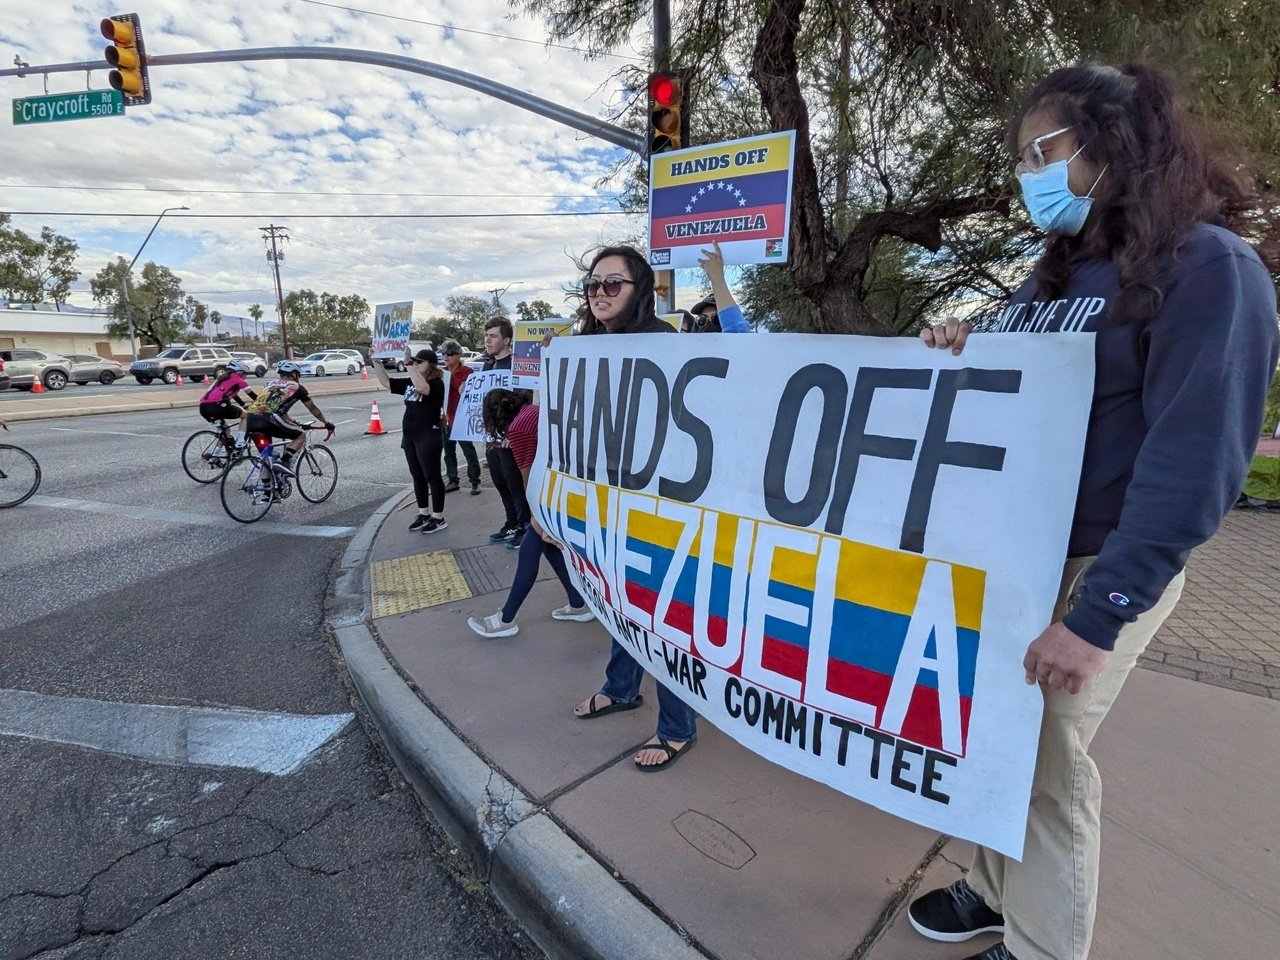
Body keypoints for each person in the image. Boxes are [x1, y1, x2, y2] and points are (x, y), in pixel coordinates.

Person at [908, 63, 1279, 960]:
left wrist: (1099, 613)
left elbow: (1193, 461)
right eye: (1020, 156)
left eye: (1044, 150)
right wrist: (960, 346)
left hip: (1099, 567)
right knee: (996, 746)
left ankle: (1043, 944)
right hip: (1017, 560)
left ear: (1111, 145)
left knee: (1045, 767)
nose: (1027, 173)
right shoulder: (1059, 277)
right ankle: (995, 890)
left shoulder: (1209, 268)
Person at [570, 244, 701, 772]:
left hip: (660, 509)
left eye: (612, 284)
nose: (599, 293)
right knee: (619, 603)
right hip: (606, 508)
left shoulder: (662, 344)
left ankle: (677, 727)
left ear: (639, 289)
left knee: (662, 617)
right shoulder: (581, 348)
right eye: (593, 285)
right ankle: (621, 689)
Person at [466, 388, 595, 638]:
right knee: (545, 545)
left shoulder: (518, 429)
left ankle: (506, 619)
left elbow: (529, 478)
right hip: (569, 488)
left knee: (530, 546)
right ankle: (577, 603)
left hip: (554, 495)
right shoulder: (533, 413)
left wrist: (537, 515)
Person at [374, 347, 449, 533]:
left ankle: (438, 518)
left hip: (428, 435)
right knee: (417, 475)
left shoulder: (437, 383)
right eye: (413, 361)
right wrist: (376, 361)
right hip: (410, 436)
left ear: (430, 364)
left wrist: (408, 364)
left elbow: (423, 388)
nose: (415, 364)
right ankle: (424, 514)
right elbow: (386, 382)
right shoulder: (411, 381)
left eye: (419, 362)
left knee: (432, 475)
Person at [481, 316, 529, 547]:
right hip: (492, 437)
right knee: (500, 482)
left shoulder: (516, 364)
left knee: (515, 484)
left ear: (507, 340)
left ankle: (524, 526)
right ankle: (511, 522)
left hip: (511, 438)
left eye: (493, 336)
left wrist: (513, 432)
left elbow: (526, 398)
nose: (487, 340)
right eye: (486, 335)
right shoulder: (488, 365)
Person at [241, 361, 335, 470]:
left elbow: (281, 409)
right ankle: (283, 462)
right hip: (269, 418)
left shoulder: (269, 384)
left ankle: (267, 485)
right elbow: (313, 408)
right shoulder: (297, 387)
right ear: (294, 374)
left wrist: (293, 422)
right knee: (301, 435)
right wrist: (326, 423)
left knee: (266, 457)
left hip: (250, 419)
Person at [440, 339, 482, 496]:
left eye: (449, 353)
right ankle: (452, 480)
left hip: (462, 418)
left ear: (458, 355)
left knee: (468, 451)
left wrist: (456, 382)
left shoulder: (467, 372)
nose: (446, 356)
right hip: (445, 417)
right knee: (448, 452)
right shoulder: (442, 372)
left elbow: (468, 390)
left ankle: (475, 481)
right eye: (444, 353)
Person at [682, 241, 751, 333]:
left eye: (717, 319)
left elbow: (736, 332)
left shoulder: (735, 345)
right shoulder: (691, 346)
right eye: (701, 320)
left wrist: (717, 278)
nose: (709, 323)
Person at [199, 360, 257, 434]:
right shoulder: (240, 381)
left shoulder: (221, 379)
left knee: (225, 432)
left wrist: (243, 405)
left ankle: (221, 444)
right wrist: (263, 403)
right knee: (245, 415)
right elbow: (252, 395)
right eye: (246, 374)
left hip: (203, 408)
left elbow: (234, 395)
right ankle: (241, 441)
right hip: (218, 405)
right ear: (240, 372)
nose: (246, 376)